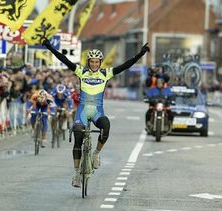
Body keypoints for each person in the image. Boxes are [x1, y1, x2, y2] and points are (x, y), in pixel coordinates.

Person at [42, 36, 150, 188]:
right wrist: (50, 47)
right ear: (89, 62)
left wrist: (140, 54)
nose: (94, 64)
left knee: (106, 125)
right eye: (91, 61)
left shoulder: (106, 73)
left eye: (96, 62)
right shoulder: (81, 72)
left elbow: (126, 65)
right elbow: (64, 59)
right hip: (82, 111)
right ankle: (77, 174)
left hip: (98, 112)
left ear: (100, 63)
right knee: (78, 133)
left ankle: (96, 154)